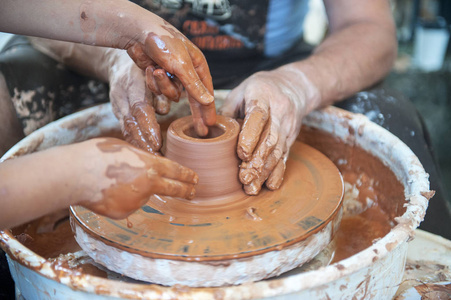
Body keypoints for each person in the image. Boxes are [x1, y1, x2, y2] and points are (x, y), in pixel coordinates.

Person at [1, 1, 449, 234]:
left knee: (391, 118)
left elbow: (368, 27)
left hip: (267, 65)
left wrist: (297, 86)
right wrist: (118, 56)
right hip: (106, 55)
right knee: (13, 88)